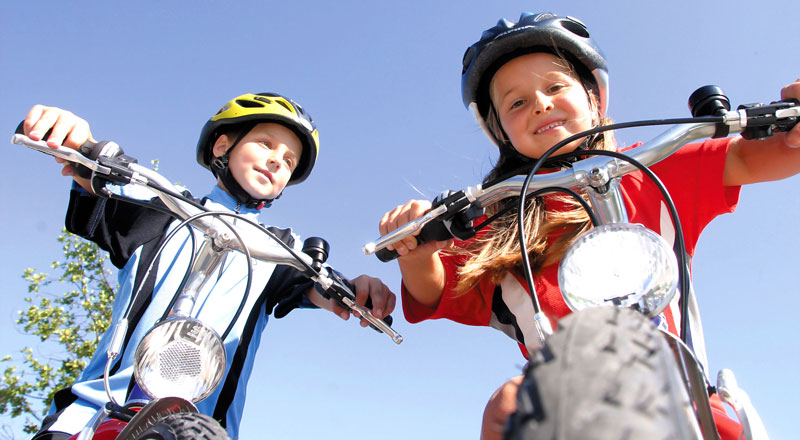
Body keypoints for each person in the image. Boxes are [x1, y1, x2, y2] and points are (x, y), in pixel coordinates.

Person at [378, 12, 800, 440]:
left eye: (556, 86)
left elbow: (754, 156)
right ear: (501, 131)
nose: (540, 103)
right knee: (509, 406)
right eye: (516, 102)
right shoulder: (500, 221)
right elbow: (434, 289)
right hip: (564, 410)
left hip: (684, 400)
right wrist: (418, 247)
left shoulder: (653, 168)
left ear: (593, 98)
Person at [22, 92, 396, 440]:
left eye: (288, 161)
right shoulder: (161, 210)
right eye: (266, 143)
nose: (275, 160)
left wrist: (355, 288)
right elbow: (97, 176)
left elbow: (317, 285)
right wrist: (75, 139)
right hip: (91, 417)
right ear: (222, 145)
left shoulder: (283, 248)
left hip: (200, 427)